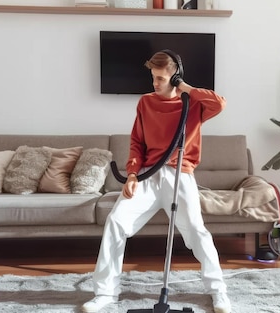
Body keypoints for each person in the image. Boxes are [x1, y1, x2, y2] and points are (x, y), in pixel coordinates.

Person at [81, 50, 231, 313]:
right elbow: (137, 143)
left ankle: (218, 292)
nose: (155, 83)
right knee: (116, 221)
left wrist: (184, 87)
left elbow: (219, 104)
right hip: (148, 175)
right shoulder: (146, 103)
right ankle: (105, 293)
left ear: (175, 77)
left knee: (196, 231)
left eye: (161, 78)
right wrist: (131, 175)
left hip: (180, 175)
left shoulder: (192, 104)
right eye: (153, 77)